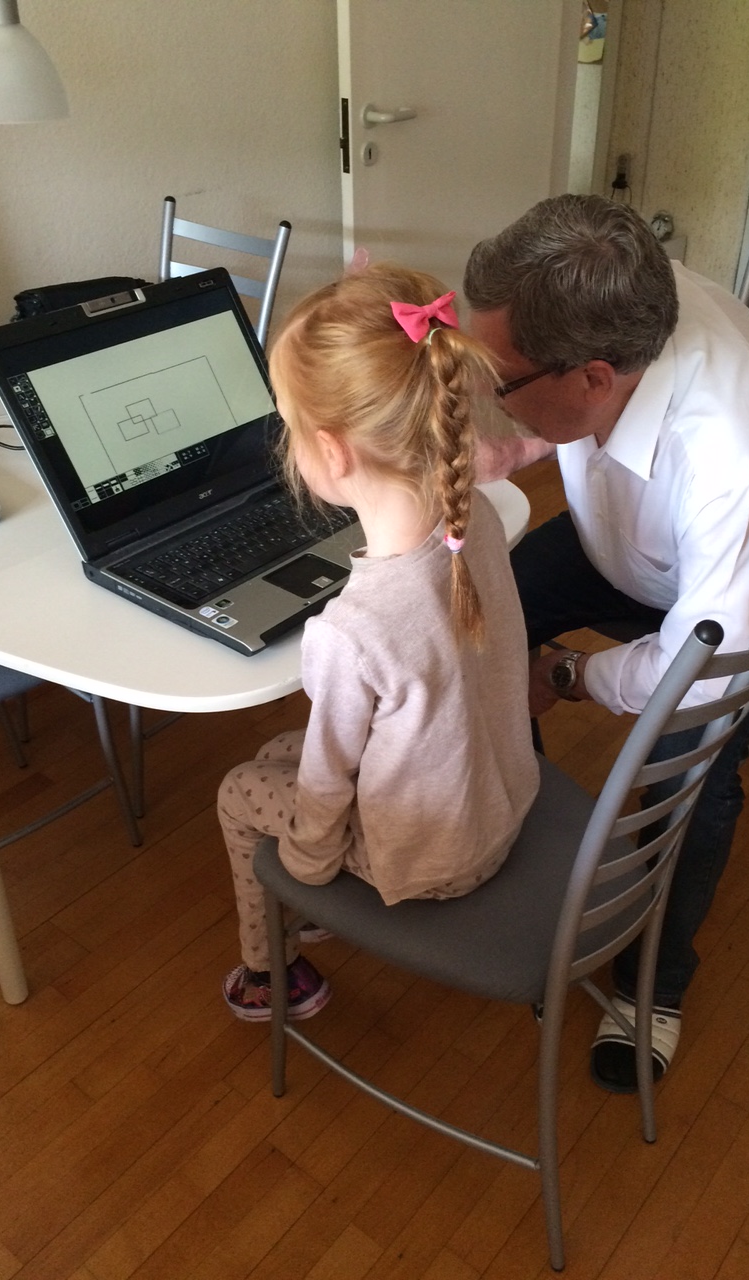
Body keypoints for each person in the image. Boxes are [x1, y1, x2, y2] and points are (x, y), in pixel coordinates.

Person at [463, 194, 749, 1091]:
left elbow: (697, 674)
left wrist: (566, 673)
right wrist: (516, 444)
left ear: (595, 378)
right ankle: (519, 841)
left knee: (685, 780)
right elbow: (551, 406)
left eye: (497, 380)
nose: (485, 395)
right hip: (629, 540)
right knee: (481, 621)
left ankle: (652, 985)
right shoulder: (617, 289)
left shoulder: (737, 460)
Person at [217, 263, 540, 1021]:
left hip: (437, 860)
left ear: (332, 454)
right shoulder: (473, 521)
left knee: (239, 790)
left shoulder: (351, 631)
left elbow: (328, 784)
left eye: (289, 427)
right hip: (498, 798)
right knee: (279, 752)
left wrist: (307, 869)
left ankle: (273, 972)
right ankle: (312, 911)